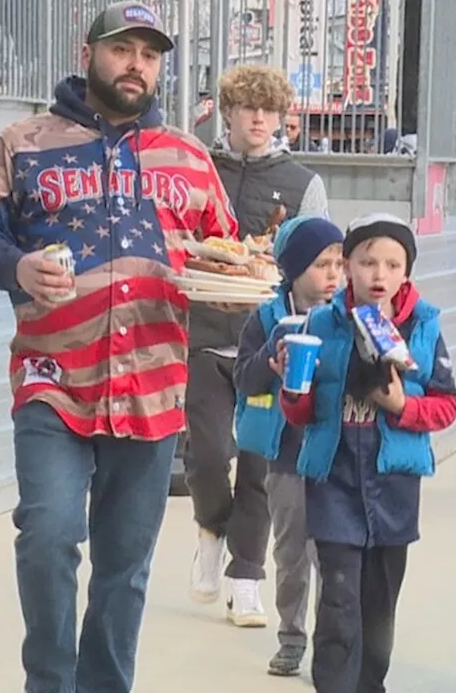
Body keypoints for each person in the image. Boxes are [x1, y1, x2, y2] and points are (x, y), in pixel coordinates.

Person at [0, 1, 238, 692]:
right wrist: (15, 268)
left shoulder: (191, 159)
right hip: (54, 379)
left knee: (124, 564)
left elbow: (230, 257)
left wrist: (229, 286)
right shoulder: (23, 143)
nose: (136, 64)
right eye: (122, 48)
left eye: (149, 52)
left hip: (153, 386)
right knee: (48, 536)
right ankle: (48, 681)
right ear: (90, 54)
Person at [279, 213, 456, 692]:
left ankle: (370, 684)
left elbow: (446, 406)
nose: (379, 274)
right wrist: (291, 388)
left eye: (392, 264)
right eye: (367, 261)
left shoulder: (423, 325)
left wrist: (402, 405)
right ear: (347, 265)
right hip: (333, 478)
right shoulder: (320, 323)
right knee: (338, 601)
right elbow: (300, 413)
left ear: (406, 272)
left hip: (392, 487)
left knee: (379, 608)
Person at [186, 64, 330, 624]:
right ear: (229, 112)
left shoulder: (302, 183)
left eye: (269, 110)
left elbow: (320, 264)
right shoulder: (200, 166)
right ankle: (209, 527)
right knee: (204, 457)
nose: (259, 119)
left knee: (258, 462)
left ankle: (246, 576)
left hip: (271, 340)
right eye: (249, 108)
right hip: (201, 333)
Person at [233, 215, 345, 676]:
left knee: (334, 556)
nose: (334, 274)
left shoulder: (347, 319)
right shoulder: (265, 319)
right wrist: (271, 360)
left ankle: (333, 645)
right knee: (292, 552)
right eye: (322, 264)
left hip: (333, 453)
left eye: (340, 263)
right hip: (285, 455)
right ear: (294, 270)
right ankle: (291, 636)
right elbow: (242, 377)